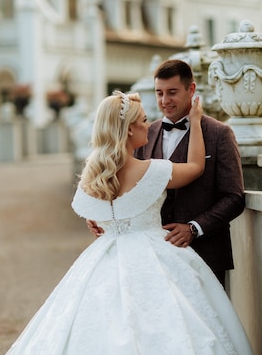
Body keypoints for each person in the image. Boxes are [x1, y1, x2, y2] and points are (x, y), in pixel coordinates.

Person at [0, 91, 259, 355]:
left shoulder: (92, 177)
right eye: (143, 120)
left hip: (102, 256)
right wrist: (194, 120)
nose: (148, 124)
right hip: (156, 254)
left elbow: (93, 209)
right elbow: (195, 167)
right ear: (130, 129)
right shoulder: (152, 171)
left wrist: (100, 219)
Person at [89, 59, 245, 288]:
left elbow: (234, 197)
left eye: (172, 92)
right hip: (152, 257)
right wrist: (101, 215)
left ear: (191, 89)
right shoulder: (143, 134)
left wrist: (194, 228)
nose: (164, 101)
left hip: (207, 254)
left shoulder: (219, 134)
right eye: (159, 93)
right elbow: (125, 187)